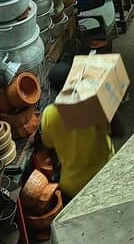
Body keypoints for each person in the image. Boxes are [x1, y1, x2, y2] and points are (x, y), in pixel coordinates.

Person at [39, 62, 114, 197]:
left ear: (53, 89)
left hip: (74, 186)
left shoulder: (49, 115)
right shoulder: (92, 105)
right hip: (105, 175)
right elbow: (119, 131)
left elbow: (50, 149)